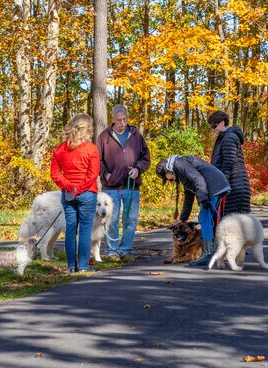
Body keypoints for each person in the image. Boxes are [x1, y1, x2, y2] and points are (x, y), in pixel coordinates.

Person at [96, 104, 151, 260]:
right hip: (110, 187)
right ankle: (112, 252)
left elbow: (146, 158)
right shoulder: (104, 136)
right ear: (112, 119)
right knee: (111, 220)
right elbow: (97, 160)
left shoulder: (136, 135)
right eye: (119, 120)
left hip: (131, 187)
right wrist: (106, 175)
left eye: (124, 119)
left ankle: (125, 250)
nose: (122, 123)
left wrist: (138, 169)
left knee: (131, 220)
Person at [155, 155, 230, 266]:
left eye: (166, 178)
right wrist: (182, 219)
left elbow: (197, 179)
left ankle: (207, 254)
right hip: (216, 186)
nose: (169, 181)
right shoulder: (181, 173)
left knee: (204, 218)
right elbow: (188, 197)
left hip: (215, 185)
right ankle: (209, 252)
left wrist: (203, 198)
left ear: (167, 170)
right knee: (206, 218)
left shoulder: (180, 164)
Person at [50, 113, 101, 273]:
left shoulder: (60, 149)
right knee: (85, 230)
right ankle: (84, 266)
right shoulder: (91, 148)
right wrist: (79, 188)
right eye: (91, 129)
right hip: (87, 194)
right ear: (87, 130)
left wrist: (68, 186)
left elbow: (55, 173)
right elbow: (93, 174)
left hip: (68, 194)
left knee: (71, 230)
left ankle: (72, 266)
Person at [208, 111, 251, 215]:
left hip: (235, 185)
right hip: (231, 184)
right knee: (231, 221)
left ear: (222, 122)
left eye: (214, 126)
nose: (213, 129)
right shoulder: (223, 138)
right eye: (212, 127)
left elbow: (228, 162)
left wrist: (222, 184)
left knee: (235, 222)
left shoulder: (229, 137)